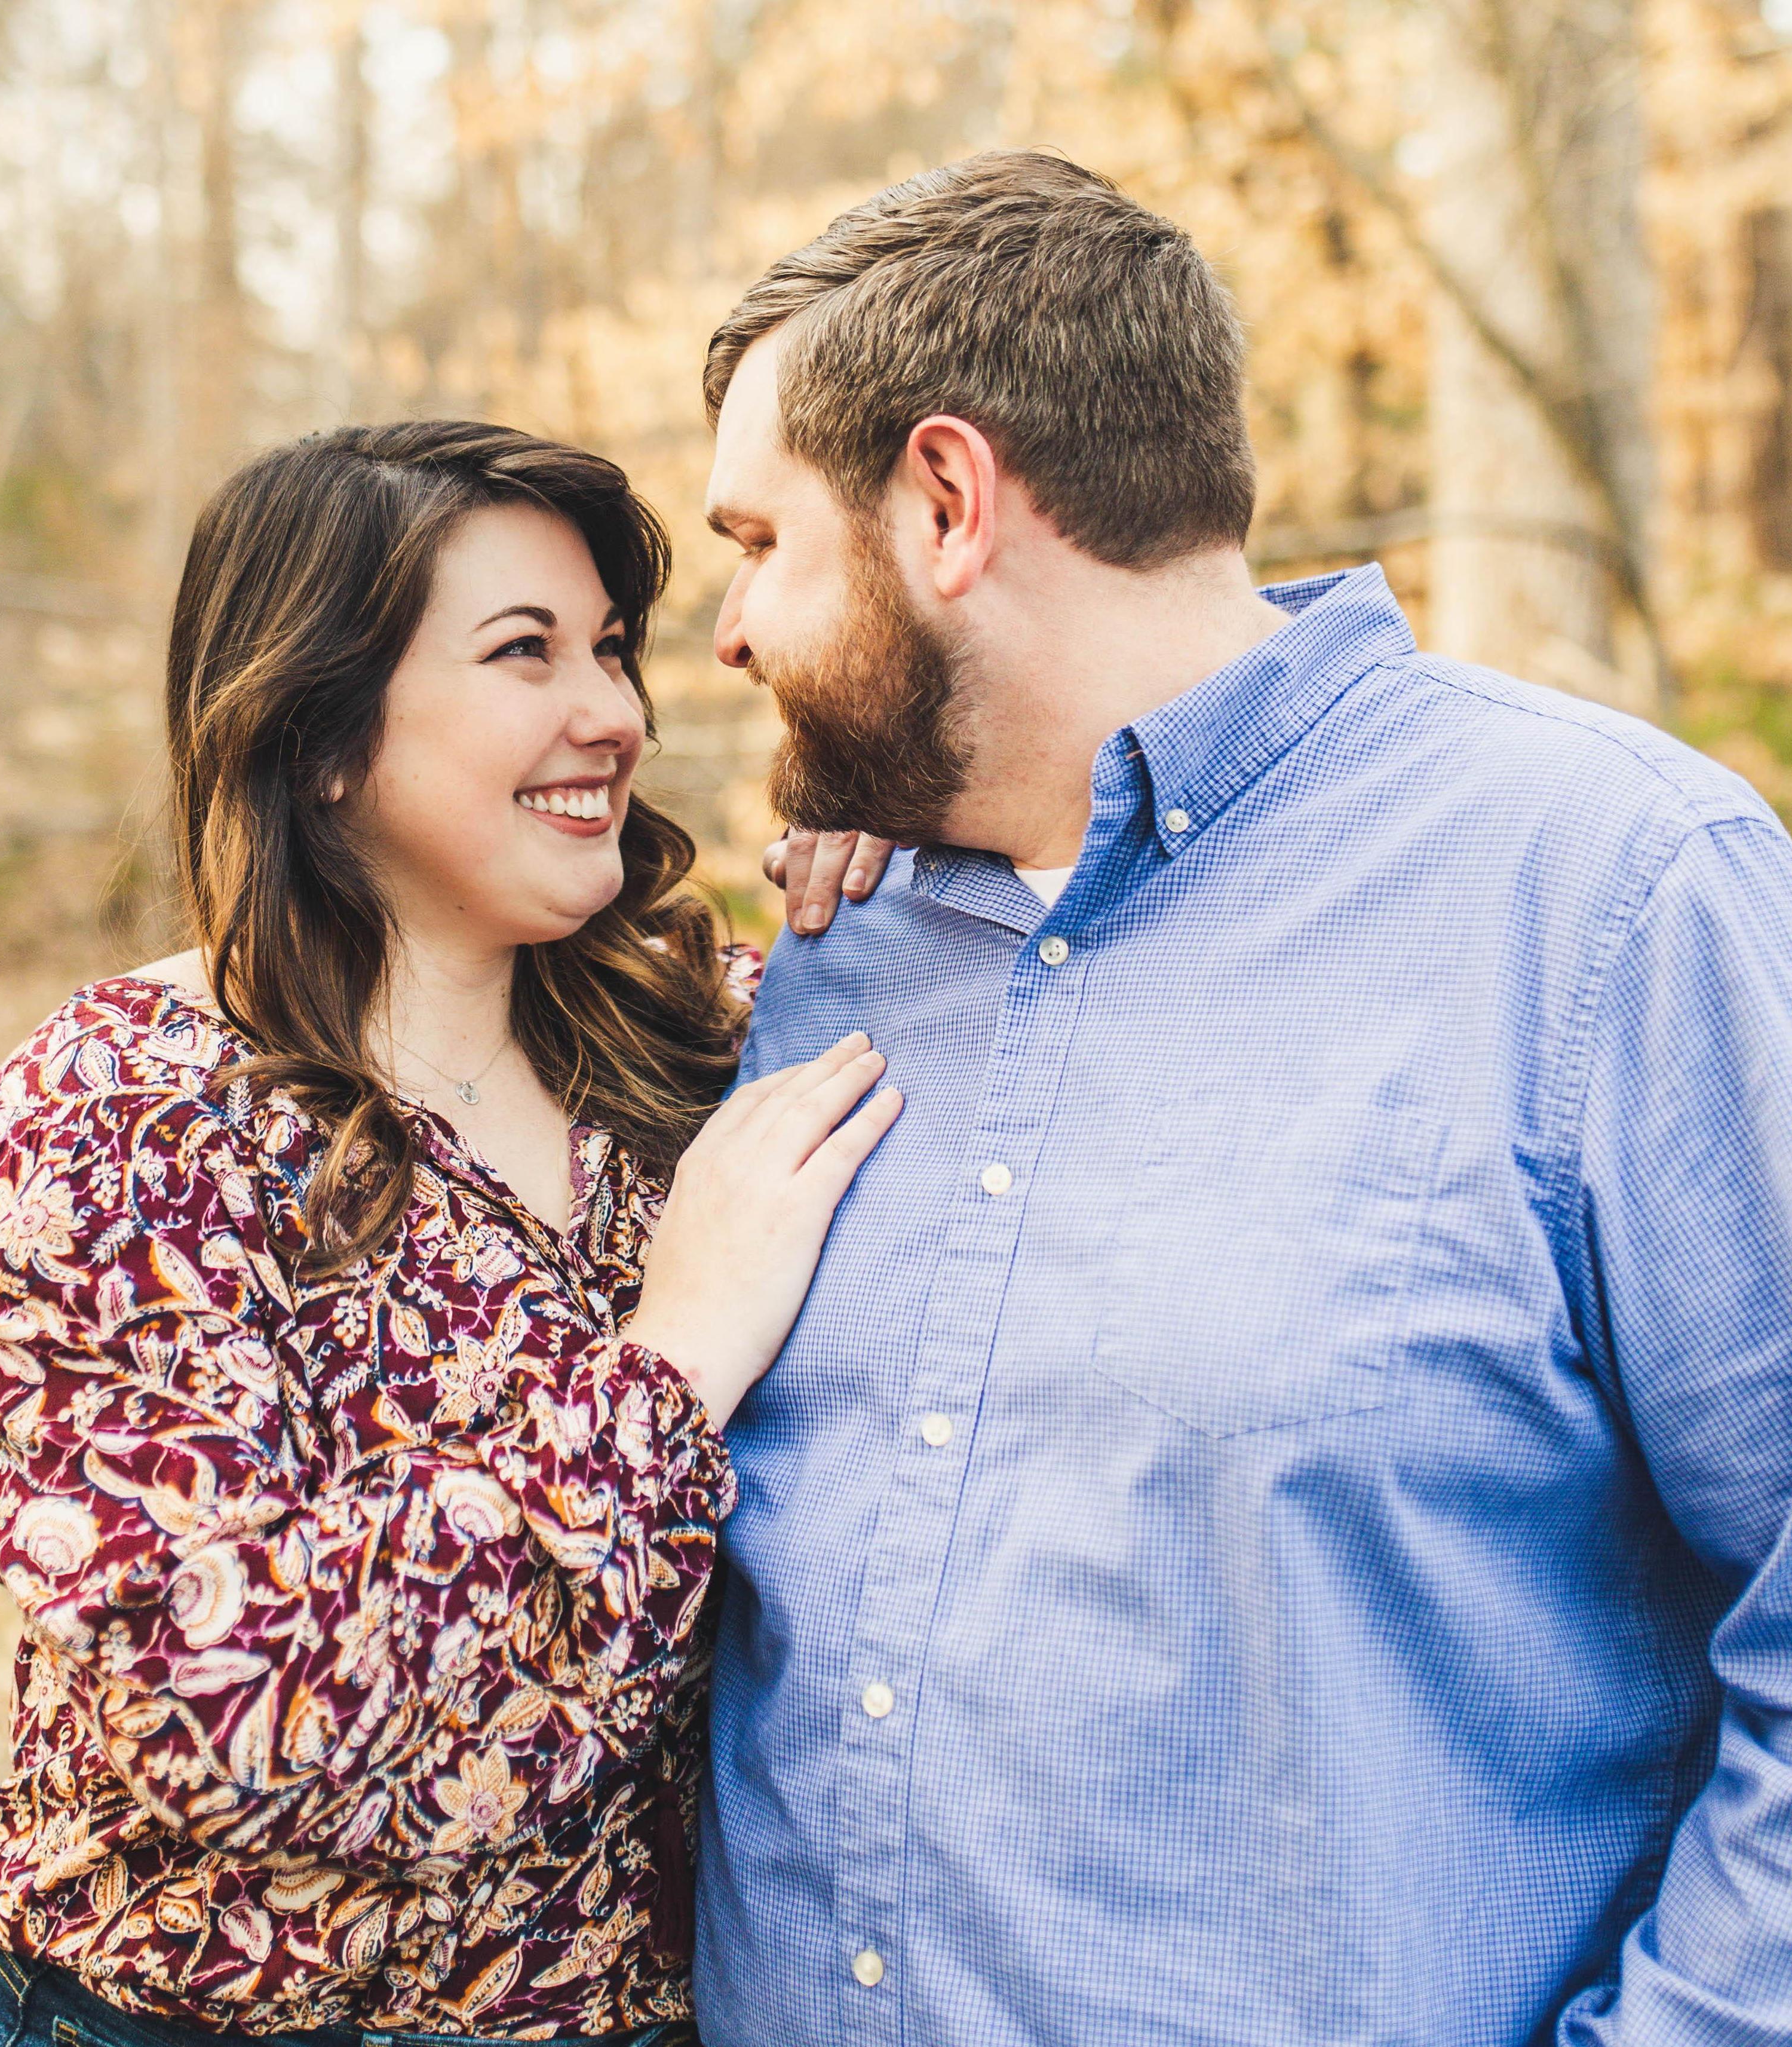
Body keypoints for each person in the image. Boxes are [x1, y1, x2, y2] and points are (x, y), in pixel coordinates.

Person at [692, 150, 1792, 2047]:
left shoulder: (1610, 891)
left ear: (946, 502)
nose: (724, 634)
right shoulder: (819, 955)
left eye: (757, 544)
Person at [0, 420, 901, 2047]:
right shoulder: (110, 1129)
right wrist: (668, 1364)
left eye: (610, 648)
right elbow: (237, 1720)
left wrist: (902, 867)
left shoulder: (695, 1044)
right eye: (524, 653)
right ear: (319, 737)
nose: (615, 715)